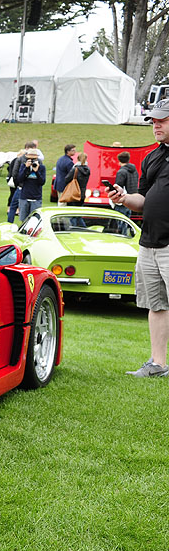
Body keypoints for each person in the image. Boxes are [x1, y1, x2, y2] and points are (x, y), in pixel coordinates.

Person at [107, 98, 169, 377]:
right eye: (153, 120)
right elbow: (142, 199)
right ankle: (157, 364)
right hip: (150, 242)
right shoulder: (153, 156)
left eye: (162, 120)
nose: (156, 124)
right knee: (156, 304)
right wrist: (123, 198)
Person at [14, 148, 46, 222]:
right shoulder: (23, 166)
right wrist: (26, 168)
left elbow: (42, 182)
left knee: (34, 220)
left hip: (36, 198)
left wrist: (37, 171)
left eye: (33, 159)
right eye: (29, 159)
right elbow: (19, 179)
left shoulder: (41, 168)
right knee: (24, 220)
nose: (32, 161)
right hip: (24, 197)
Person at [113, 151, 139, 217]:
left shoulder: (121, 172)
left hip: (123, 200)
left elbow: (118, 187)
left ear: (119, 160)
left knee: (120, 223)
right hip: (132, 199)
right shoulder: (134, 170)